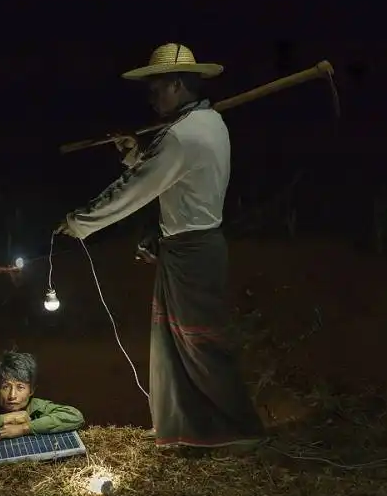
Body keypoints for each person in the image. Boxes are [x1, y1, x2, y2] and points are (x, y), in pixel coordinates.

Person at [55, 43, 265, 451]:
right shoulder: (208, 123)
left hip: (193, 251)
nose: (150, 96)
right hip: (189, 244)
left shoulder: (183, 136)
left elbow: (138, 189)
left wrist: (80, 221)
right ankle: (187, 428)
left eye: (156, 88)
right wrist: (137, 154)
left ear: (176, 84)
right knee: (173, 341)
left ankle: (240, 428)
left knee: (200, 341)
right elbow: (175, 182)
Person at [0, 351, 85, 445]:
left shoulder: (38, 406)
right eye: (6, 387)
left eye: (20, 387)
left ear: (31, 390)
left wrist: (24, 428)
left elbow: (75, 417)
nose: (12, 395)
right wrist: (7, 418)